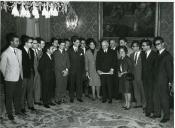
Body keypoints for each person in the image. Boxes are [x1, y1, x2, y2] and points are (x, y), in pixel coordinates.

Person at [0, 33, 23, 120]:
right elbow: (2, 68)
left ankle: (17, 110)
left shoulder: (19, 51)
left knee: (18, 95)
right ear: (11, 42)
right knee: (9, 97)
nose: (18, 42)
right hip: (10, 79)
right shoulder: (5, 53)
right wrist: (8, 76)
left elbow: (20, 65)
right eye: (16, 41)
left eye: (18, 41)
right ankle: (10, 113)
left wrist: (20, 76)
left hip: (19, 78)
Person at [152, 37, 173, 123]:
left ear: (163, 43)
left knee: (164, 99)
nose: (157, 46)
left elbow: (170, 71)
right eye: (155, 44)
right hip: (156, 81)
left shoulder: (167, 55)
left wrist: (171, 82)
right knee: (156, 97)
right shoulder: (157, 54)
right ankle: (157, 113)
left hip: (164, 81)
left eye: (158, 44)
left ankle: (167, 116)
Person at [141, 39, 157, 117]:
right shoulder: (143, 54)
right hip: (144, 78)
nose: (142, 47)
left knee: (151, 95)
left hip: (152, 79)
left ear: (148, 46)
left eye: (143, 45)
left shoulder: (155, 54)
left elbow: (156, 68)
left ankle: (151, 110)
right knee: (147, 94)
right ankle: (148, 108)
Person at [96, 39, 115, 103]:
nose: (103, 46)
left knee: (109, 85)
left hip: (109, 72)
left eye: (104, 45)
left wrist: (112, 69)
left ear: (107, 45)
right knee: (103, 85)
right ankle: (104, 98)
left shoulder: (112, 52)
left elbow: (114, 61)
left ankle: (110, 98)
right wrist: (98, 70)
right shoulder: (99, 52)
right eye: (102, 45)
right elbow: (97, 62)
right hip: (102, 72)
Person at [20, 35, 36, 113]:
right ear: (25, 43)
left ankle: (30, 105)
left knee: (30, 90)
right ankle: (22, 107)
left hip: (31, 73)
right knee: (23, 91)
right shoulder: (20, 50)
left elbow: (32, 63)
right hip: (23, 74)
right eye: (31, 42)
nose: (32, 44)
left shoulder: (32, 51)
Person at [38, 43, 56, 108]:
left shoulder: (52, 56)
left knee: (50, 89)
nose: (53, 50)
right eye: (52, 49)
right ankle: (45, 102)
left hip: (51, 76)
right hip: (45, 77)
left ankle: (49, 100)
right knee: (45, 89)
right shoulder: (43, 57)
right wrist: (44, 75)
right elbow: (40, 68)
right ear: (48, 50)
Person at [68, 36, 85, 103]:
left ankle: (79, 97)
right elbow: (68, 61)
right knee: (71, 85)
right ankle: (71, 97)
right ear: (73, 42)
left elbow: (83, 62)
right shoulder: (69, 51)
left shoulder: (81, 50)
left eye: (79, 42)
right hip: (72, 71)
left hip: (79, 71)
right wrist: (68, 70)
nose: (79, 43)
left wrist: (83, 71)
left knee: (79, 84)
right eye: (77, 42)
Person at [53, 39, 70, 104]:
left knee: (64, 85)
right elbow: (56, 64)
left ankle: (63, 98)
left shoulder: (66, 53)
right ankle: (57, 99)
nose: (63, 46)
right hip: (58, 72)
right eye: (62, 45)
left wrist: (67, 70)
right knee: (58, 85)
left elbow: (68, 62)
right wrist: (62, 71)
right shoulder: (55, 53)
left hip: (65, 72)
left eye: (64, 45)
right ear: (58, 45)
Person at [130, 40, 146, 108]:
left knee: (143, 90)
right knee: (136, 90)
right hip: (134, 76)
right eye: (133, 46)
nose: (134, 48)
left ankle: (144, 103)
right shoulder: (131, 55)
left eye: (136, 46)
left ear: (139, 47)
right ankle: (138, 103)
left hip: (141, 76)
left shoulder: (144, 54)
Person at [32, 39, 42, 105]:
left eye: (37, 43)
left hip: (39, 71)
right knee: (31, 87)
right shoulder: (29, 51)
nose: (37, 44)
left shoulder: (40, 51)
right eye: (35, 43)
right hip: (32, 71)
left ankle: (37, 100)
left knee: (38, 86)